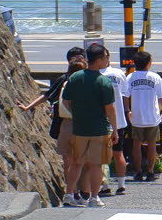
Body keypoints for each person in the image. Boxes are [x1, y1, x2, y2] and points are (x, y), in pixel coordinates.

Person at [21, 45, 85, 200]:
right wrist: (28, 107)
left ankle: (78, 191)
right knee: (69, 161)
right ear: (69, 61)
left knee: (79, 161)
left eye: (80, 58)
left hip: (76, 125)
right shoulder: (64, 79)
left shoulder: (88, 78)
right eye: (75, 59)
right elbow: (47, 96)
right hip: (67, 124)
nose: (78, 61)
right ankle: (73, 191)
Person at [56, 45, 115, 207]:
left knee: (76, 163)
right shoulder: (103, 81)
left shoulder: (75, 78)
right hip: (98, 128)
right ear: (99, 60)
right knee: (96, 164)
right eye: (106, 58)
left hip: (79, 128)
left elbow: (66, 101)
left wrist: (76, 114)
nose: (107, 61)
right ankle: (94, 197)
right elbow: (110, 108)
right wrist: (115, 129)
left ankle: (69, 194)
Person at [122, 49, 162, 183]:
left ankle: (138, 172)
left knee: (136, 145)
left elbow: (125, 96)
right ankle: (150, 171)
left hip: (136, 117)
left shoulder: (130, 77)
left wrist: (127, 111)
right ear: (148, 63)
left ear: (134, 63)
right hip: (152, 117)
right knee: (151, 145)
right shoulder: (154, 77)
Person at [99, 47, 134, 197]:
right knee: (118, 153)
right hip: (119, 120)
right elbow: (126, 94)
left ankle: (105, 185)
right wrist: (127, 111)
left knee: (101, 156)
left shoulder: (96, 75)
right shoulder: (119, 74)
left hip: (102, 121)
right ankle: (121, 185)